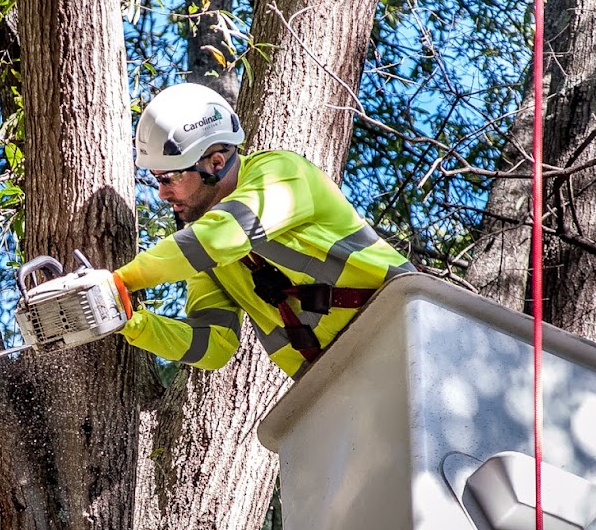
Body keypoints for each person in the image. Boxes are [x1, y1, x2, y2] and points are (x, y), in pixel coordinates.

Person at [112, 83, 413, 377]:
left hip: (408, 324)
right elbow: (214, 345)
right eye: (156, 179)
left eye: (169, 178)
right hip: (344, 383)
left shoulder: (281, 172)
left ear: (215, 163)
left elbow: (221, 236)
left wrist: (119, 281)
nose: (161, 194)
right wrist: (129, 320)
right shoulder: (205, 261)